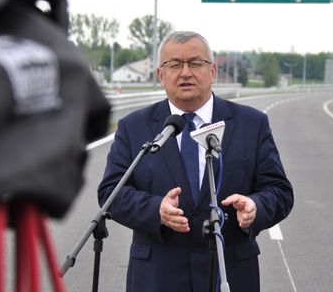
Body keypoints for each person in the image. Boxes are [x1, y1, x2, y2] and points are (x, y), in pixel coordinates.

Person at [97, 31, 293, 292]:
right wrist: (156, 210)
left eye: (196, 63)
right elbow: (112, 192)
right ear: (160, 75)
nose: (185, 72)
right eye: (175, 65)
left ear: (212, 71)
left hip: (230, 275)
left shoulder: (251, 124)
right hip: (157, 278)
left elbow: (279, 191)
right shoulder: (134, 128)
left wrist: (256, 206)